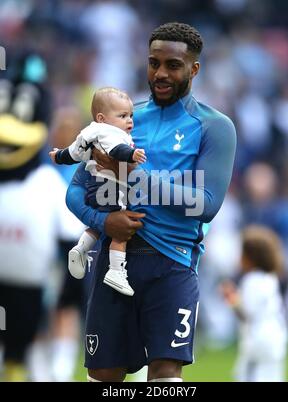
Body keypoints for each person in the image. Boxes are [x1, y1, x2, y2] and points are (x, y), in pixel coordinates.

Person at [66, 22, 237, 382]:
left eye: (172, 65)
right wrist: (103, 223)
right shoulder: (121, 120)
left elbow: (205, 203)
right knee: (102, 373)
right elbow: (75, 192)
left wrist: (133, 177)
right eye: (153, 62)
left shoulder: (214, 126)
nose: (160, 73)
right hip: (114, 259)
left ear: (194, 69)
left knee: (164, 373)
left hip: (172, 263)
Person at [50, 87, 146, 297]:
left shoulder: (90, 133)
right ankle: (116, 271)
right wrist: (132, 155)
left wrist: (58, 156)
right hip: (109, 186)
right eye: (122, 116)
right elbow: (116, 151)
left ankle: (81, 248)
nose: (129, 120)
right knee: (119, 229)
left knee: (98, 227)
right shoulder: (112, 133)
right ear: (102, 118)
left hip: (94, 188)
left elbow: (73, 154)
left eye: (130, 115)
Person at [222, 225, 288, 382]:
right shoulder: (270, 278)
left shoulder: (252, 280)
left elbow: (247, 312)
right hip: (276, 337)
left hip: (258, 341)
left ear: (250, 257)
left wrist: (231, 297)